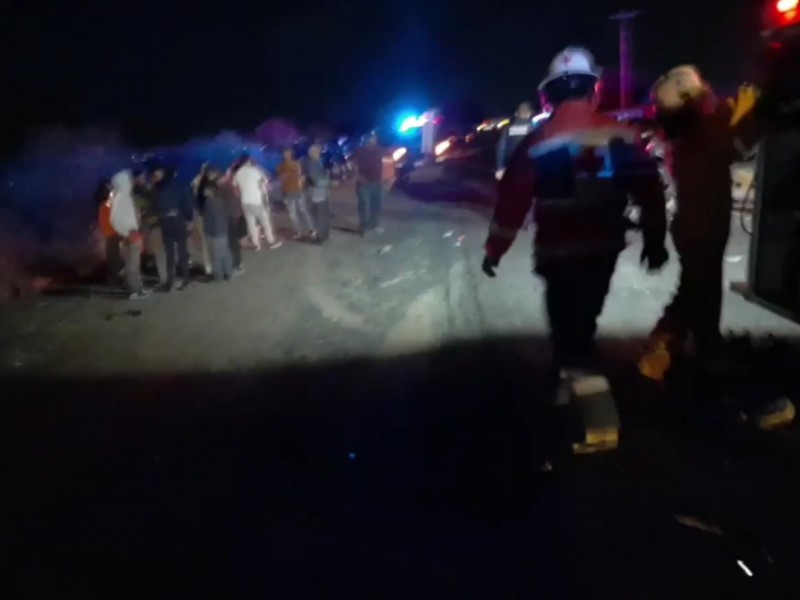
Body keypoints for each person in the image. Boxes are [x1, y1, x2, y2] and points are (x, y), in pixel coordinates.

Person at [482, 47, 668, 375]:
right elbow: (650, 191)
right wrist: (655, 242)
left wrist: (495, 251)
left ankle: (573, 374)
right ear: (592, 89)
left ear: (549, 95)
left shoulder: (536, 142)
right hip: (602, 250)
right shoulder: (623, 135)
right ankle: (582, 367)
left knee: (565, 326)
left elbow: (512, 202)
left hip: (558, 254)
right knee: (586, 318)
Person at [638, 67, 746, 380]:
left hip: (697, 226)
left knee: (698, 291)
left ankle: (701, 350)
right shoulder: (702, 133)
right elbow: (734, 145)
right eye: (704, 93)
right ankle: (667, 349)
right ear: (691, 101)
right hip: (702, 228)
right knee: (698, 294)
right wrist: (758, 111)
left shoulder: (690, 132)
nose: (710, 95)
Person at [109, 169, 151, 300]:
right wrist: (128, 231)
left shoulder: (120, 197)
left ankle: (137, 287)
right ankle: (135, 290)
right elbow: (116, 219)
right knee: (133, 263)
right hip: (131, 234)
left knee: (133, 262)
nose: (131, 182)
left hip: (129, 234)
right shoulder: (122, 198)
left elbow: (116, 219)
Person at [152, 166, 194, 291]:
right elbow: (187, 206)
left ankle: (170, 281)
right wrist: (189, 218)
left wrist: (163, 214)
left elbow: (154, 207)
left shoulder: (158, 188)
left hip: (166, 223)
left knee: (169, 254)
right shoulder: (180, 187)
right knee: (182, 252)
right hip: (178, 221)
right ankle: (185, 279)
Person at [233, 154, 281, 251]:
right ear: (248, 161)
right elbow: (265, 181)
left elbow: (235, 186)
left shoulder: (238, 173)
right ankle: (271, 242)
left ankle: (256, 244)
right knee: (265, 222)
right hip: (256, 201)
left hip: (245, 201)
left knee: (251, 223)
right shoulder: (255, 171)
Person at [133, 170, 168, 287]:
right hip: (148, 223)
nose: (143, 179)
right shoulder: (139, 190)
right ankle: (150, 269)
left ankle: (156, 271)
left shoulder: (150, 189)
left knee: (154, 248)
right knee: (147, 247)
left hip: (152, 223)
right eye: (141, 177)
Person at [200, 167, 234, 281]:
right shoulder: (217, 202)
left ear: (211, 191)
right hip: (220, 232)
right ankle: (228, 272)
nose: (204, 191)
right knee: (224, 253)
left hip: (215, 233)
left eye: (206, 190)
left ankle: (218, 275)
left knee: (216, 256)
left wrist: (210, 232)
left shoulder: (211, 204)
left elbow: (211, 220)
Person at [277, 147, 315, 239]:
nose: (287, 155)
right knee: (292, 214)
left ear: (291, 154)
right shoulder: (281, 167)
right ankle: (298, 231)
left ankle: (311, 229)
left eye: (288, 153)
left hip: (298, 191)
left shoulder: (296, 164)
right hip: (288, 193)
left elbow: (301, 177)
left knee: (303, 210)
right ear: (283, 155)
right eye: (285, 153)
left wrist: (302, 187)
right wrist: (283, 193)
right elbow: (282, 181)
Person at [351, 132, 385, 235]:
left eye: (375, 138)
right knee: (363, 206)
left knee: (376, 205)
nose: (375, 139)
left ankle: (373, 225)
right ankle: (362, 228)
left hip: (377, 182)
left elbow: (380, 164)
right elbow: (354, 165)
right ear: (367, 139)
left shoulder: (378, 150)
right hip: (364, 183)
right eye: (373, 138)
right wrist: (358, 177)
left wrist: (383, 178)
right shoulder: (360, 151)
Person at [496, 101, 535, 180]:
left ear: (516, 114)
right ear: (530, 113)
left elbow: (501, 148)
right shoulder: (535, 127)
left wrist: (499, 168)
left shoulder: (508, 129)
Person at [303, 142, 331, 243]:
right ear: (312, 153)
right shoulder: (312, 164)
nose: (319, 153)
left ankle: (323, 235)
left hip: (321, 193)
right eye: (317, 152)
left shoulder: (317, 162)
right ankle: (321, 236)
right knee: (320, 217)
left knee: (323, 216)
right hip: (317, 194)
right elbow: (316, 181)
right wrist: (329, 182)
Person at [190, 162, 213, 276]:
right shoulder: (207, 183)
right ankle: (211, 265)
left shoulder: (196, 180)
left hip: (200, 213)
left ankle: (209, 266)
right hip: (207, 214)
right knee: (209, 240)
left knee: (205, 240)